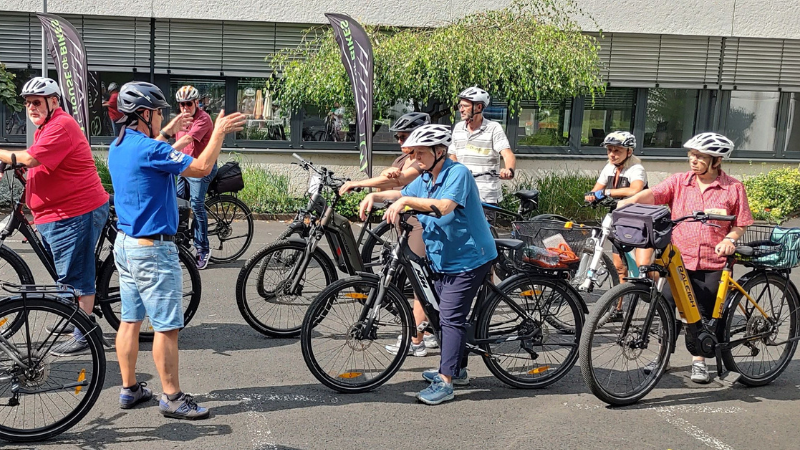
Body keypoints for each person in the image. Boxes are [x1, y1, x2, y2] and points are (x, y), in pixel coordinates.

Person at [108, 81, 244, 418]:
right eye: (158, 112)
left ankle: (130, 388)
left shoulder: (119, 146)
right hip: (153, 250)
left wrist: (170, 132)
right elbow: (201, 168)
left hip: (125, 245)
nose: (162, 117)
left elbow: (153, 149)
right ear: (144, 113)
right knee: (167, 327)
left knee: (130, 320)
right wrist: (220, 132)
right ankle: (172, 397)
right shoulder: (151, 150)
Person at [359, 124, 497, 405]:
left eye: (420, 153)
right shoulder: (425, 176)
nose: (415, 158)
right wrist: (376, 196)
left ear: (440, 151)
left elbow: (445, 206)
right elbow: (400, 194)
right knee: (437, 312)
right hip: (442, 257)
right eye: (413, 153)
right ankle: (456, 369)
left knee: (450, 316)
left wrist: (408, 201)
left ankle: (447, 383)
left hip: (469, 257)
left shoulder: (457, 173)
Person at [618, 132, 753, 384]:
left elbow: (741, 222)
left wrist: (730, 239)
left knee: (701, 314)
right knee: (667, 309)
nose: (693, 160)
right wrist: (631, 201)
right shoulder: (680, 181)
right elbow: (654, 195)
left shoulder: (733, 187)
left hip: (711, 263)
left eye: (700, 156)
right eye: (691, 155)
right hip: (677, 261)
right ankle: (662, 357)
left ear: (716, 160)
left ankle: (699, 360)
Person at [0, 77, 109, 356]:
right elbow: (40, 163)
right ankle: (71, 312)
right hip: (57, 213)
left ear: (54, 102)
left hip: (74, 212)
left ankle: (84, 332)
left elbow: (33, 159)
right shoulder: (46, 127)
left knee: (76, 276)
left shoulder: (61, 125)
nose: (31, 108)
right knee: (66, 271)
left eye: (37, 102)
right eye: (27, 103)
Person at [340, 112, 438, 356]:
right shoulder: (404, 157)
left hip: (418, 224)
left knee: (419, 284)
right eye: (397, 136)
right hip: (404, 222)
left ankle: (416, 341)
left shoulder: (420, 160)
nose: (398, 140)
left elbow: (402, 181)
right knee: (418, 281)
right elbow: (391, 183)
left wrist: (361, 185)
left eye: (403, 136)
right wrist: (367, 188)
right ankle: (430, 331)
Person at [583, 131, 651, 319]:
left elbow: (635, 189)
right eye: (609, 150)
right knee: (620, 266)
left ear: (629, 151)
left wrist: (607, 192)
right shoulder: (609, 167)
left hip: (637, 221)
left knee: (642, 266)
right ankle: (618, 309)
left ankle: (662, 296)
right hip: (617, 218)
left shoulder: (636, 169)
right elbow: (597, 188)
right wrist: (591, 195)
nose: (612, 154)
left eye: (617, 151)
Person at [448, 86, 516, 223]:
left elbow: (507, 154)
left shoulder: (493, 128)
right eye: (460, 106)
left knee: (483, 237)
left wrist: (509, 170)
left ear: (478, 107)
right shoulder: (458, 128)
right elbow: (453, 155)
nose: (461, 109)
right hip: (461, 192)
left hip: (486, 195)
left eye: (465, 106)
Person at [171, 85, 216, 269]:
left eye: (188, 104)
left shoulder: (203, 119)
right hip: (184, 168)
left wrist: (167, 152)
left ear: (196, 103)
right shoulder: (180, 119)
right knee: (179, 204)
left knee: (196, 205)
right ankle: (181, 244)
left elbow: (188, 139)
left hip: (202, 168)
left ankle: (203, 249)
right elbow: (177, 140)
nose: (184, 108)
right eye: (181, 104)